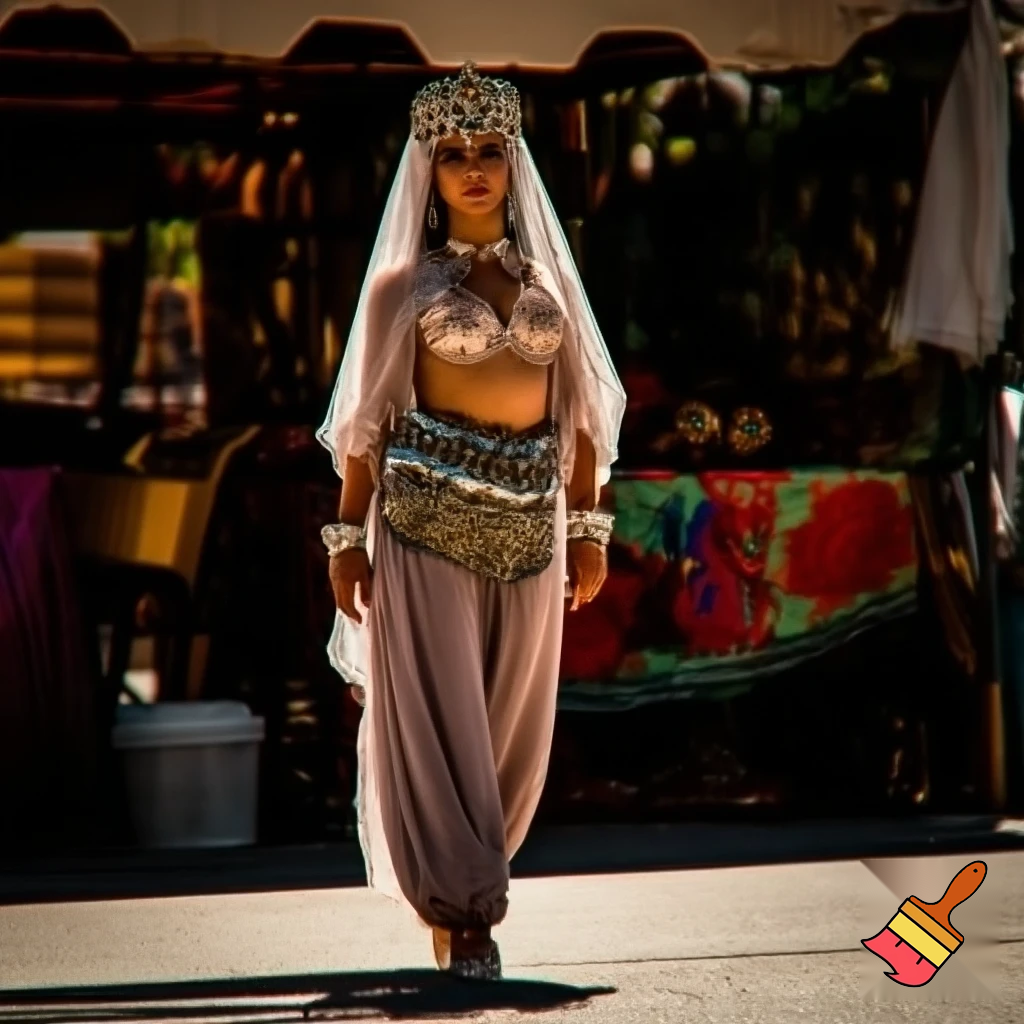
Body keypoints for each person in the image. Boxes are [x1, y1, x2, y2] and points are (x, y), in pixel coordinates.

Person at [317, 62, 625, 981]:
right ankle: (466, 908)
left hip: (531, 529)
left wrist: (586, 527)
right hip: (421, 530)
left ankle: (471, 889)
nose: (475, 167)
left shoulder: (552, 287)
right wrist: (344, 543)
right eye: (454, 154)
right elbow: (367, 426)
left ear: (513, 161)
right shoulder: (399, 290)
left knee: (509, 731)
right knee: (439, 723)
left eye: (490, 149)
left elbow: (580, 416)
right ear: (430, 171)